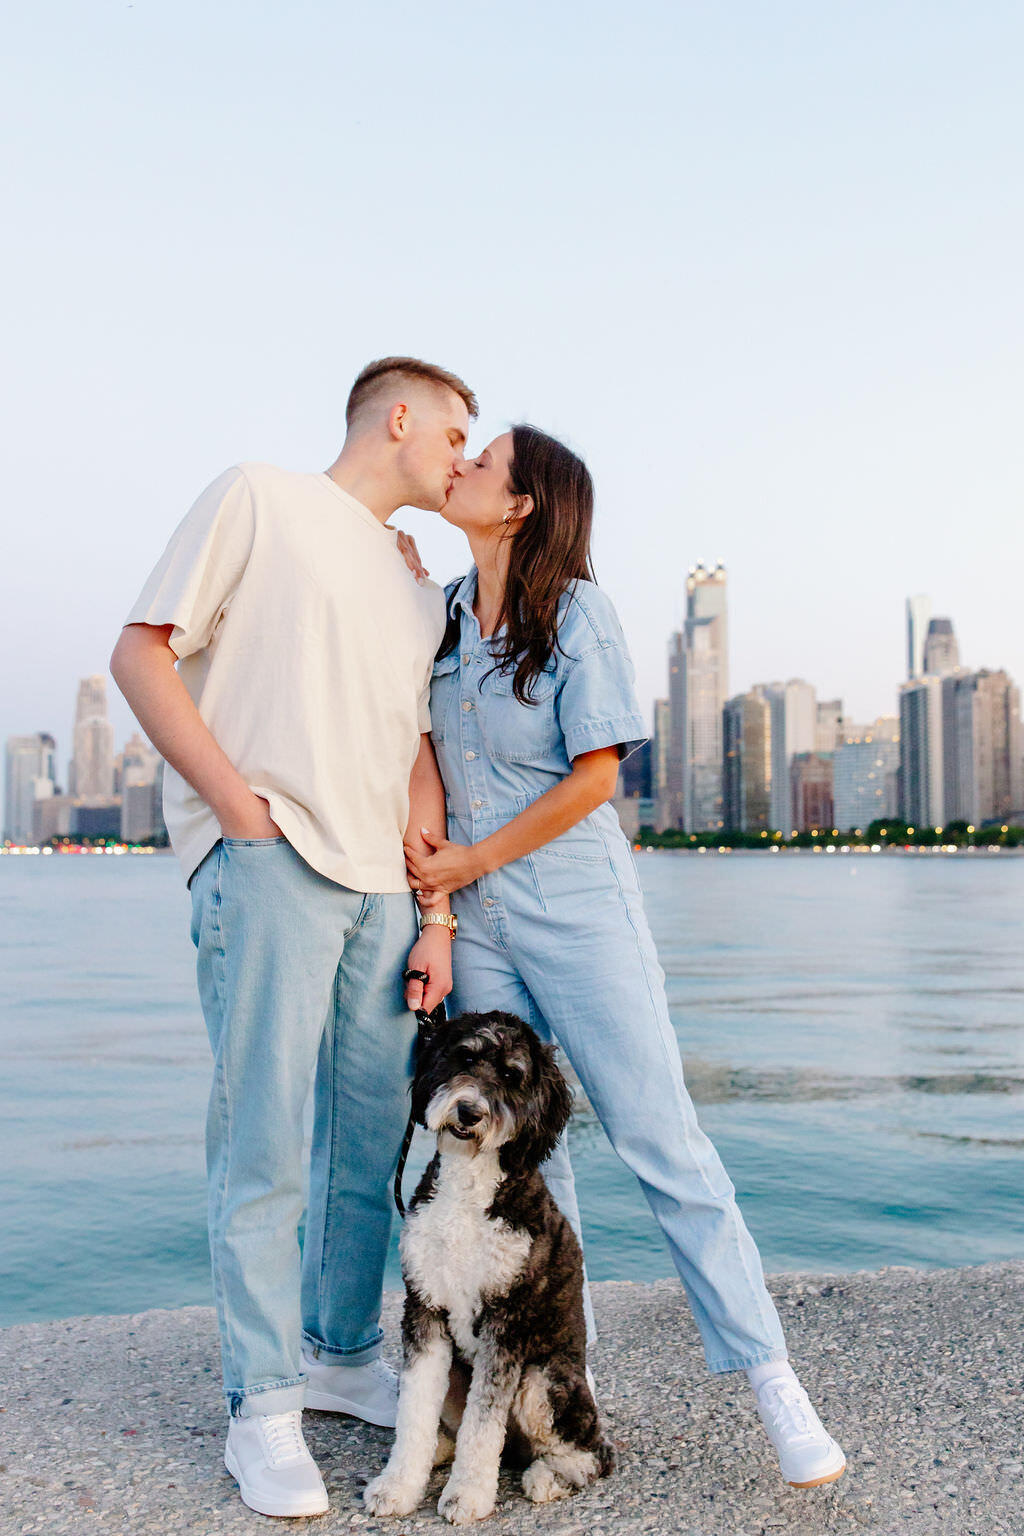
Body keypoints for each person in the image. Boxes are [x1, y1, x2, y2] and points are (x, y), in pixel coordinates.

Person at [404, 424, 848, 1490]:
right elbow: (423, 753)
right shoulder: (447, 619)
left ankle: (772, 1380)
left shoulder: (576, 613)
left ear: (520, 505)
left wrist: (465, 862)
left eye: (482, 463)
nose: (458, 468)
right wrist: (447, 907)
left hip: (578, 912)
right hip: (481, 923)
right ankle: (562, 1393)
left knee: (663, 1143)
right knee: (524, 1168)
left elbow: (593, 778)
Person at [110, 357, 467, 1519]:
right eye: (457, 432)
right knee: (262, 1145)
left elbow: (415, 753)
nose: (463, 456)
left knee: (367, 1150)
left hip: (380, 891)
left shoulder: (418, 584)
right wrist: (233, 808)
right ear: (399, 417)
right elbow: (142, 650)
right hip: (271, 864)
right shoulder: (257, 495)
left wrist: (433, 915)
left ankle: (339, 1355)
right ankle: (260, 1409)